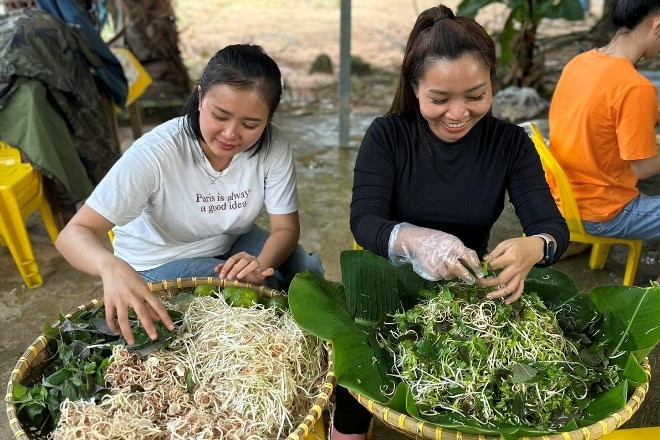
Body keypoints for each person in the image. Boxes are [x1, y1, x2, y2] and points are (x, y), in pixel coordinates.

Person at [342, 4, 569, 439]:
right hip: (391, 280)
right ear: (414, 89)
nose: (458, 113)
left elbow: (553, 228)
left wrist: (532, 249)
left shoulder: (510, 144)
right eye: (439, 99)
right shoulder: (388, 135)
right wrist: (414, 240)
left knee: (485, 386)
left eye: (475, 95)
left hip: (468, 289)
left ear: (492, 86)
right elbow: (364, 221)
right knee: (355, 375)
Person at [55, 44, 324, 345]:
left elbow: (286, 228)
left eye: (251, 124)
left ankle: (310, 344)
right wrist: (110, 266)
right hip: (160, 258)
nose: (231, 134)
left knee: (304, 268)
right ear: (199, 98)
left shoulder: (273, 147)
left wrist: (260, 263)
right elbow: (73, 233)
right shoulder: (157, 153)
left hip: (229, 240)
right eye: (219, 115)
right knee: (246, 292)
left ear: (269, 119)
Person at [548, 0, 660, 283]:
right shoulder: (636, 88)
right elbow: (643, 169)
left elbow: (609, 114)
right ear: (657, 26)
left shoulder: (580, 63)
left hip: (562, 199)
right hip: (603, 212)